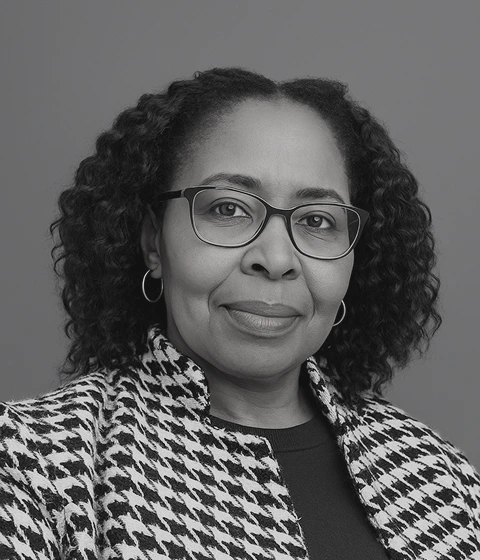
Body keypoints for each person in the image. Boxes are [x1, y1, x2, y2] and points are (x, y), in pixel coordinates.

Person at [0, 67, 479, 560]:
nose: (276, 259)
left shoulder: (440, 476)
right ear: (153, 243)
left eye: (317, 220)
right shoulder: (31, 461)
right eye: (228, 209)